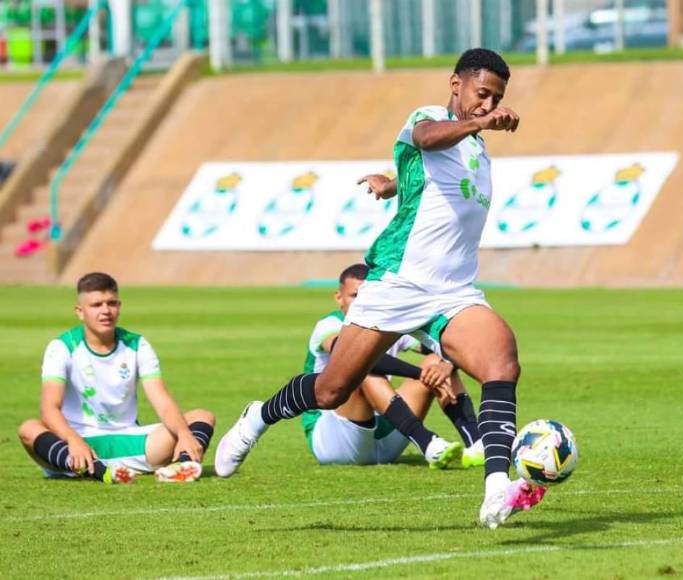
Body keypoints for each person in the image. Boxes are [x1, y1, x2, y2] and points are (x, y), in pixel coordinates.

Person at [216, 48, 544, 528]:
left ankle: (497, 485)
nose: (486, 103)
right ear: (456, 83)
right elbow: (426, 140)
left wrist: (393, 183)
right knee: (331, 391)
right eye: (481, 93)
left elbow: (429, 180)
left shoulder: (477, 149)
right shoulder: (430, 117)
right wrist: (481, 123)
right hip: (398, 280)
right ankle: (258, 416)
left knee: (502, 362)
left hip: (453, 291)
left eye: (495, 97)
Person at [17, 272, 215, 484]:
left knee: (202, 416)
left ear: (119, 306)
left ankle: (181, 466)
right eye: (96, 305)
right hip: (77, 446)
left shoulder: (137, 345)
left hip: (132, 442)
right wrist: (74, 440)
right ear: (80, 311)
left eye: (111, 303)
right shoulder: (62, 347)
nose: (106, 311)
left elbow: (162, 401)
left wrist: (184, 433)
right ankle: (101, 471)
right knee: (29, 428)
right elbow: (49, 409)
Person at [286, 263, 486, 467]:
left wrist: (448, 363)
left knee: (437, 362)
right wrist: (418, 373)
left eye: (366, 297)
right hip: (336, 440)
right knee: (360, 368)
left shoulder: (389, 325)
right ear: (339, 297)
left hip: (386, 432)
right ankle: (427, 443)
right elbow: (354, 356)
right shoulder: (329, 325)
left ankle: (476, 443)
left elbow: (451, 347)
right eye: (354, 296)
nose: (360, 303)